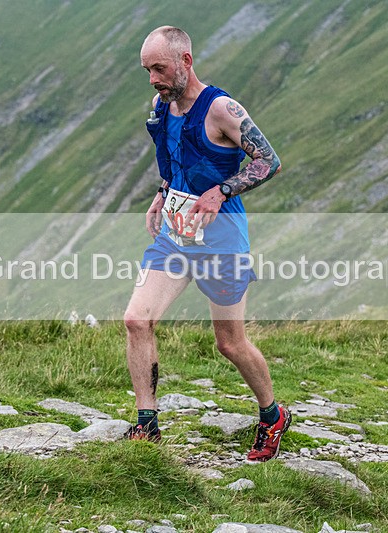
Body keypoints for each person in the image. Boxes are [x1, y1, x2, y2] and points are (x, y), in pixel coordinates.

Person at [123, 26, 290, 462]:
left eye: (159, 68)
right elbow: (177, 161)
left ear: (185, 62)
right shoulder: (161, 106)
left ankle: (272, 414)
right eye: (148, 70)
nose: (154, 78)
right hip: (176, 236)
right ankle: (147, 426)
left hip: (221, 239)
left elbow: (268, 160)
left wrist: (223, 191)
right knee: (137, 321)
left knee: (230, 343)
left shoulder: (220, 108)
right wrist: (162, 193)